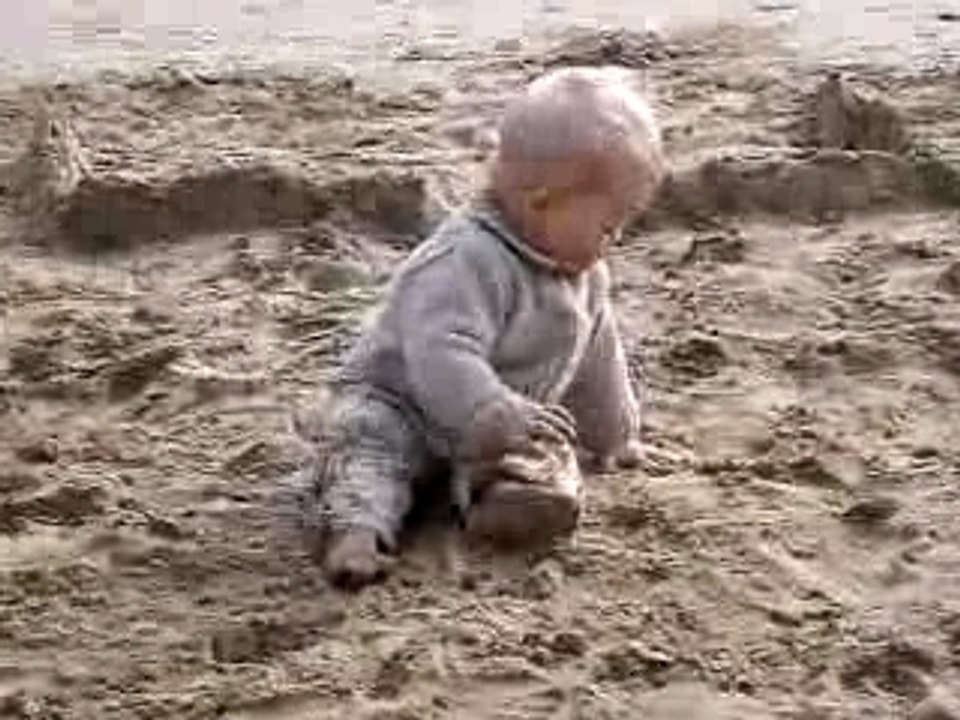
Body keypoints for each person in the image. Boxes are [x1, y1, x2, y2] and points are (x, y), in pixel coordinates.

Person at [303, 66, 666, 590]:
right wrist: (486, 410)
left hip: (502, 425)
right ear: (543, 200)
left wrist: (614, 433)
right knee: (368, 447)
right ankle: (359, 533)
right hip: (405, 404)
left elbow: (596, 357)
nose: (616, 240)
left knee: (540, 452)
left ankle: (507, 501)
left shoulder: (584, 276)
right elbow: (439, 350)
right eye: (608, 225)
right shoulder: (466, 258)